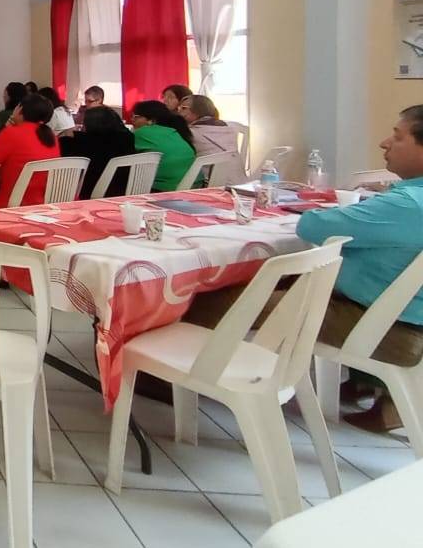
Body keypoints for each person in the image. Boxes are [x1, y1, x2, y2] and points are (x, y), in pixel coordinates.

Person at [187, 107, 423, 434]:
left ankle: (172, 379)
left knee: (212, 297)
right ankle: (371, 388)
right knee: (291, 274)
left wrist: (367, 210)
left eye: (397, 137)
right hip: (403, 312)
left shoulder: (407, 205)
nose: (385, 143)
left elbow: (313, 226)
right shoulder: (407, 202)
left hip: (386, 324)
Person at [0, 93, 60, 209]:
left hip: (12, 205)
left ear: (20, 109)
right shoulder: (51, 137)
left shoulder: (12, 133)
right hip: (43, 205)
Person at [61, 105, 137, 198]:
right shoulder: (128, 138)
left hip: (89, 191)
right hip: (123, 190)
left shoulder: (80, 141)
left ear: (90, 124)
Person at [178, 94, 246, 187]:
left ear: (198, 110)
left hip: (214, 186)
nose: (179, 111)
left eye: (184, 108)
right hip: (241, 183)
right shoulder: (229, 128)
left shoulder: (191, 132)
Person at [131, 100, 196, 192]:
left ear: (151, 120)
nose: (132, 119)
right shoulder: (175, 132)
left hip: (163, 189)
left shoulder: (142, 133)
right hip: (193, 185)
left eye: (136, 117)